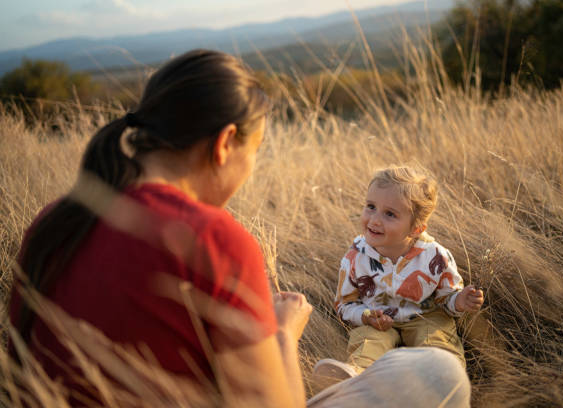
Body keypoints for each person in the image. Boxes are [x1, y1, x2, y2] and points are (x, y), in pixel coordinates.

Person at [9, 50, 471, 408]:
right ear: (226, 143)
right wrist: (283, 334)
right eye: (256, 151)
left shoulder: (55, 221)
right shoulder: (210, 240)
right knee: (437, 373)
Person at [314, 166, 484, 386]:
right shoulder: (356, 256)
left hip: (425, 316)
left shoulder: (435, 256)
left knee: (437, 339)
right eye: (371, 207)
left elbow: (446, 299)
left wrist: (459, 300)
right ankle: (357, 377)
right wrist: (365, 316)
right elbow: (345, 304)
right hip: (379, 320)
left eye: (390, 214)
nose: (374, 220)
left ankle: (443, 379)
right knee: (368, 340)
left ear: (415, 229)